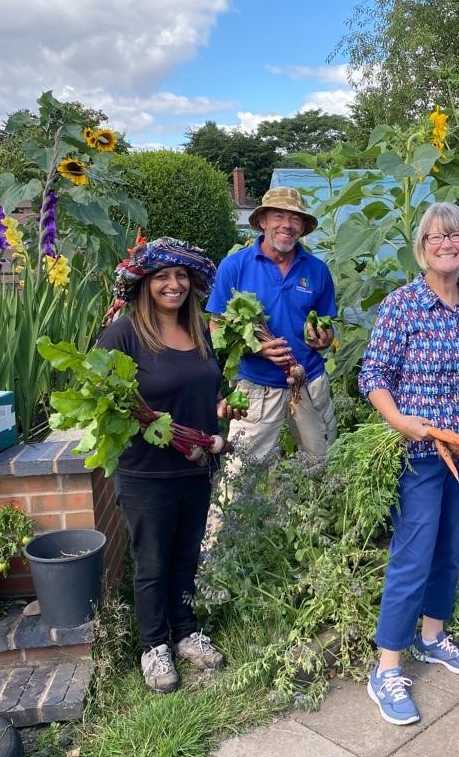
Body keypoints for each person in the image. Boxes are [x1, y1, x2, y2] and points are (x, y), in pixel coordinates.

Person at [358, 202, 459, 726]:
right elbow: (374, 376)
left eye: (456, 235)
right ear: (422, 246)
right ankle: (386, 666)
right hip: (421, 450)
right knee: (412, 554)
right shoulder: (402, 305)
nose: (447, 243)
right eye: (436, 237)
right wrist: (404, 423)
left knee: (450, 549)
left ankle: (432, 636)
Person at [98, 236, 228, 693]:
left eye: (181, 277)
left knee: (186, 555)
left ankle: (186, 629)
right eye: (162, 277)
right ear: (144, 284)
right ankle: (154, 646)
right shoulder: (124, 334)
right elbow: (110, 401)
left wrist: (220, 409)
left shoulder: (199, 331)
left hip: (195, 466)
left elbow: (212, 388)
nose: (173, 285)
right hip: (146, 472)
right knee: (152, 562)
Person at [207, 187, 337, 464]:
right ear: (263, 220)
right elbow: (216, 328)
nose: (287, 225)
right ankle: (232, 510)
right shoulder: (235, 266)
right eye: (278, 216)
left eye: (295, 219)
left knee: (322, 464)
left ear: (302, 227)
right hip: (257, 387)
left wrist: (324, 338)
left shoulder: (317, 270)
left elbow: (328, 326)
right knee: (241, 470)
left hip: (309, 382)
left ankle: (314, 508)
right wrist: (257, 348)